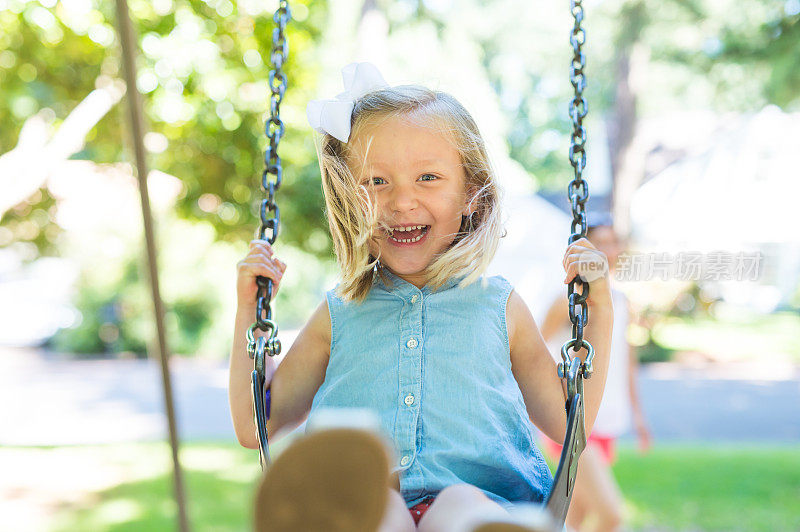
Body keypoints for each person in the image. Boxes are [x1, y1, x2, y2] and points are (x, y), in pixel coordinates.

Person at [228, 62, 615, 532]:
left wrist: (599, 312)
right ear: (349, 196)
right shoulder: (339, 312)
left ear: (472, 193)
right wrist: (249, 311)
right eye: (376, 181)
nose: (401, 201)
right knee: (378, 509)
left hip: (489, 500)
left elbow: (568, 423)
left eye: (428, 178)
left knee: (461, 504)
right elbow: (256, 427)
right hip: (367, 508)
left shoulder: (499, 306)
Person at [539, 213, 653, 532]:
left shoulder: (620, 300)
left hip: (607, 418)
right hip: (574, 419)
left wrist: (639, 416)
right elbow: (534, 350)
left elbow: (625, 363)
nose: (608, 250)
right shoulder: (569, 302)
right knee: (610, 513)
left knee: (574, 517)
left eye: (613, 242)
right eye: (599, 243)